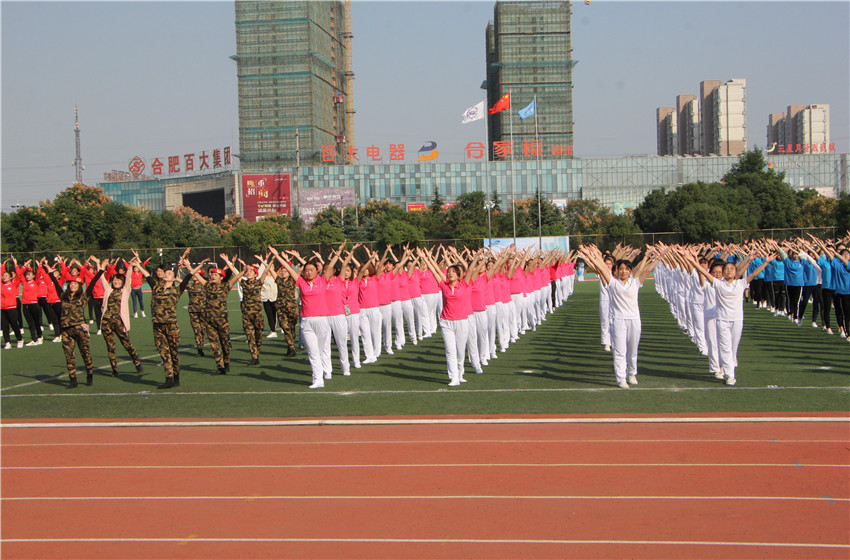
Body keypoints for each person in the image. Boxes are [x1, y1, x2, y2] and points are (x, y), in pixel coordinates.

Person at [579, 244, 667, 389]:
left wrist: (655, 256)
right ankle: (621, 378)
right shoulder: (613, 283)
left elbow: (646, 269)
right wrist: (591, 256)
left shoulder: (635, 282)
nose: (623, 271)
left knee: (632, 350)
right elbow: (602, 268)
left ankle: (631, 373)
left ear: (630, 271)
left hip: (634, 320)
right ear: (617, 271)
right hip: (618, 320)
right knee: (620, 351)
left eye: (626, 269)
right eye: (620, 269)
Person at [689, 247, 775, 385]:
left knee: (733, 348)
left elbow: (754, 273)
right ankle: (729, 375)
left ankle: (729, 364)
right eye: (726, 269)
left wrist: (766, 262)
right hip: (722, 320)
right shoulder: (718, 284)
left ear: (736, 272)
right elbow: (703, 272)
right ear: (723, 273)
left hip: (737, 320)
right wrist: (693, 260)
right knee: (725, 347)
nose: (729, 270)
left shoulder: (740, 283)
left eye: (731, 269)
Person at [269, 244, 340, 389]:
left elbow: (332, 265)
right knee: (312, 353)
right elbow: (289, 269)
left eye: (311, 270)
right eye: (306, 270)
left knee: (321, 350)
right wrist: (276, 256)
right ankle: (317, 380)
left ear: (317, 271)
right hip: (306, 322)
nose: (308, 272)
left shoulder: (322, 280)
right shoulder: (301, 282)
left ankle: (327, 371)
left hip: (321, 319)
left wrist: (338, 253)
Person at [418, 246, 482, 386]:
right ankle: (453, 377)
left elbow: (471, 269)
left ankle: (460, 372)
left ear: (459, 275)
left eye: (453, 272)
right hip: (446, 322)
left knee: (460, 351)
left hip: (461, 321)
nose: (450, 274)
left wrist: (477, 257)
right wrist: (425, 258)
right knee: (450, 351)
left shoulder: (464, 284)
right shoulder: (444, 285)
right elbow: (434, 270)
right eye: (449, 272)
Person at [135, 251, 193, 389]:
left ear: (173, 278)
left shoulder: (176, 290)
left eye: (169, 274)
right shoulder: (156, 287)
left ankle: (176, 377)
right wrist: (138, 264)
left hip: (171, 325)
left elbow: (187, 278)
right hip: (157, 325)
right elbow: (147, 276)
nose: (166, 274)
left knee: (173, 353)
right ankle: (168, 379)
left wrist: (190, 266)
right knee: (163, 353)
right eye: (165, 273)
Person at [45, 261, 103, 388]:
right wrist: (50, 274)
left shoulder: (83, 296)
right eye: (71, 283)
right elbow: (56, 284)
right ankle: (73, 379)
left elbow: (92, 283)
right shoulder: (63, 296)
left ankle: (89, 374)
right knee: (69, 356)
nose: (73, 285)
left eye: (76, 283)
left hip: (80, 329)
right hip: (66, 330)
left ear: (79, 285)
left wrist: (100, 271)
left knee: (85, 353)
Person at [192, 253, 244, 375]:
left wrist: (241, 269)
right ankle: (220, 367)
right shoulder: (207, 285)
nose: (213, 276)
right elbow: (194, 273)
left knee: (225, 344)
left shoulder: (225, 286)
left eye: (216, 275)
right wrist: (195, 265)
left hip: (222, 320)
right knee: (214, 344)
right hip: (209, 320)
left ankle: (226, 361)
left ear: (221, 277)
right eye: (212, 274)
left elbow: (236, 277)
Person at [95, 256, 144, 376]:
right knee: (110, 346)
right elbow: (101, 278)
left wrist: (130, 267)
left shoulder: (125, 291)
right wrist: (100, 265)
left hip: (119, 322)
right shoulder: (109, 290)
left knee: (127, 344)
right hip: (106, 322)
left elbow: (128, 279)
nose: (116, 282)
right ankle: (115, 369)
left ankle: (136, 361)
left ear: (122, 282)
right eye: (115, 280)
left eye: (118, 280)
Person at [228, 256, 272, 366]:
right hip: (246, 314)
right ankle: (254, 356)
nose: (249, 273)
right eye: (248, 272)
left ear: (255, 274)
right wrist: (230, 263)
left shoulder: (259, 282)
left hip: (257, 314)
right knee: (249, 336)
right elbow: (235, 273)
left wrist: (271, 260)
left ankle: (257, 351)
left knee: (258, 336)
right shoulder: (243, 283)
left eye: (251, 272)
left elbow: (265, 271)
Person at [1, 262, 24, 349]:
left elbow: (19, 275)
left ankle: (19, 339)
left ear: (11, 277)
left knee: (14, 324)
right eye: (3, 276)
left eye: (6, 276)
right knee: (5, 326)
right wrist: (2, 266)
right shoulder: (1, 285)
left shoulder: (14, 284)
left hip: (12, 308)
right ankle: (7, 342)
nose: (4, 277)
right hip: (2, 308)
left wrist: (16, 265)